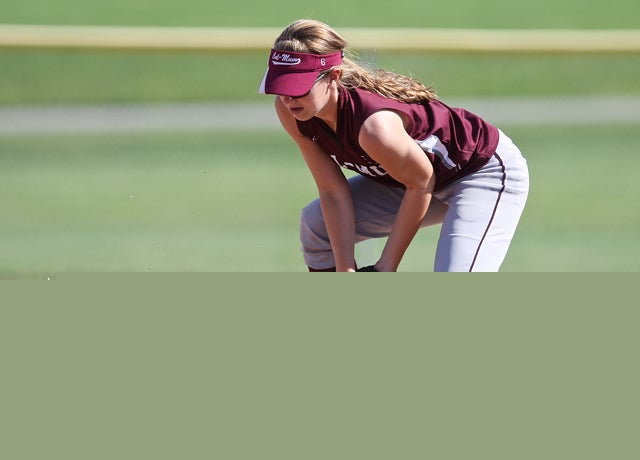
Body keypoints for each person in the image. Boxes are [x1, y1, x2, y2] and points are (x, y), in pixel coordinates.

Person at [258, 19, 529, 272]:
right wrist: (346, 270)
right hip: (414, 180)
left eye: (299, 88)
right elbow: (332, 192)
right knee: (315, 223)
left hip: (480, 174)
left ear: (334, 77)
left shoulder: (375, 128)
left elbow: (422, 182)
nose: (289, 98)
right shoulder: (293, 114)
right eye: (280, 87)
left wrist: (385, 266)